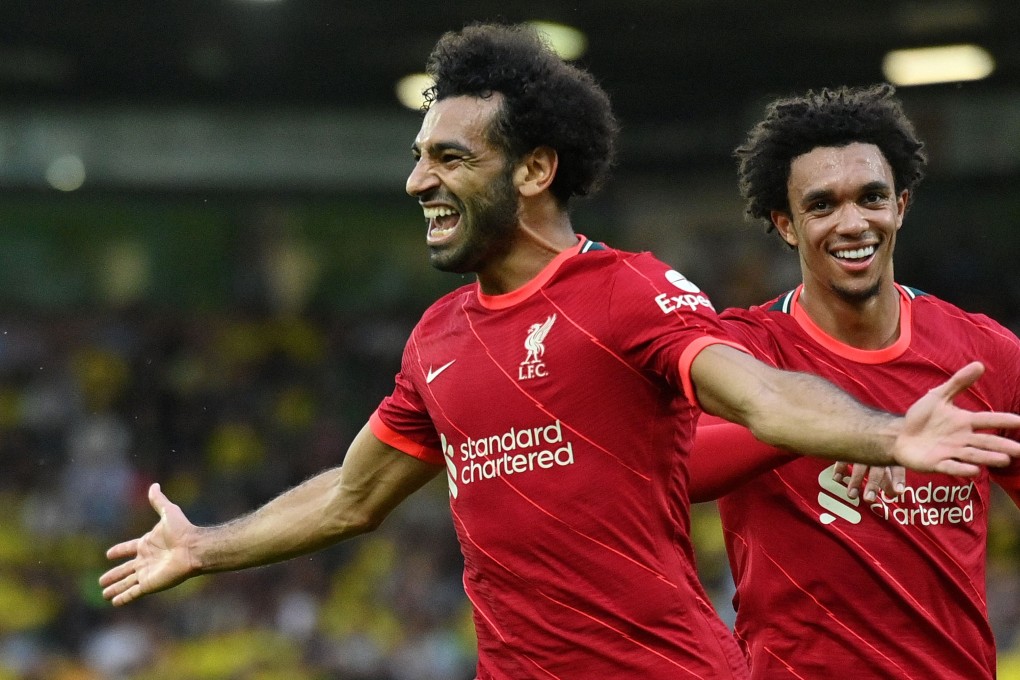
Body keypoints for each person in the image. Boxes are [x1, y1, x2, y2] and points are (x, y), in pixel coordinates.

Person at [99, 26, 1020, 679]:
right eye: (422, 156)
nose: (418, 178)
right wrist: (205, 547)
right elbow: (351, 496)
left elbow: (756, 394)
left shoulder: (626, 290)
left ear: (535, 169)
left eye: (450, 157)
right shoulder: (437, 340)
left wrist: (888, 435)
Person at [687, 83, 1020, 678]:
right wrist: (819, 427)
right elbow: (677, 469)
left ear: (901, 205)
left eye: (871, 197)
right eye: (821, 206)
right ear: (784, 224)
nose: (852, 223)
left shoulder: (982, 354)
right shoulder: (741, 352)